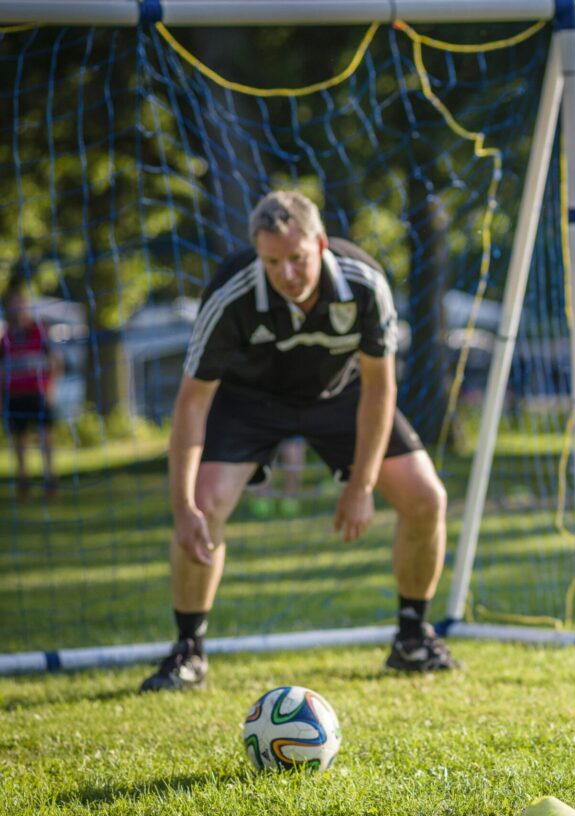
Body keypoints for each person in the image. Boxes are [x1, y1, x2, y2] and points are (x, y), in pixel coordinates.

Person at [141, 190, 455, 692]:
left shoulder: (364, 283)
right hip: (249, 402)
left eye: (297, 258)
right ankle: (188, 651)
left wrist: (361, 483)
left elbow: (379, 386)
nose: (286, 272)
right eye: (272, 261)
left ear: (321, 244)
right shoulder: (231, 294)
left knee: (426, 498)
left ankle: (413, 640)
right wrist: (181, 505)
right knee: (204, 504)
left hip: (341, 396)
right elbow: (192, 402)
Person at [1, 283, 60, 500]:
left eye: (20, 304)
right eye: (13, 305)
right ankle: (23, 484)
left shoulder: (39, 332)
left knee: (45, 439)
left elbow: (55, 362)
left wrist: (51, 387)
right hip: (15, 397)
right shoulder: (5, 338)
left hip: (38, 394)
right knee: (20, 442)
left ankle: (51, 481)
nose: (17, 308)